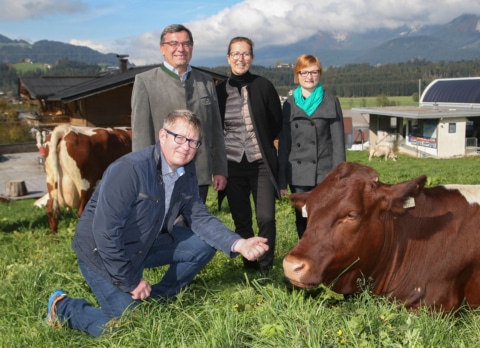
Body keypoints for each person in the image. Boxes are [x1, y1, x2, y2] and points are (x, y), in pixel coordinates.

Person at [45, 110, 269, 337]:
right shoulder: (129, 171)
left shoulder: (186, 171)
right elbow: (104, 234)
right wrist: (131, 281)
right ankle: (63, 307)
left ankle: (158, 299)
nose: (186, 147)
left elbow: (198, 216)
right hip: (101, 253)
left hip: (145, 242)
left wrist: (238, 243)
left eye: (193, 142)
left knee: (203, 246)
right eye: (179, 138)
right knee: (128, 330)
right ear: (162, 135)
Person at [131, 24, 227, 203]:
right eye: (174, 43)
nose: (180, 49)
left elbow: (215, 130)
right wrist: (144, 175)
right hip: (161, 176)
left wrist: (220, 169)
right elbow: (141, 135)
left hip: (199, 175)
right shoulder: (145, 82)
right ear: (162, 48)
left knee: (195, 226)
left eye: (186, 44)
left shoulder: (205, 82)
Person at [216, 37, 282, 275]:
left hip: (260, 163)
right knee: (241, 219)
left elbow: (276, 123)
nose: (240, 58)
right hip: (232, 164)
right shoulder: (219, 91)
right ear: (228, 58)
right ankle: (250, 264)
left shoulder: (263, 86)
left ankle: (265, 266)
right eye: (235, 53)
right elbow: (215, 130)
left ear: (251, 58)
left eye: (245, 54)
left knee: (266, 217)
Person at [278, 54, 346, 239]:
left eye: (314, 72)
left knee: (325, 216)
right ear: (297, 74)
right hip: (298, 174)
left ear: (320, 74)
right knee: (302, 217)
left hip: (324, 172)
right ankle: (305, 253)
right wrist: (282, 179)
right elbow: (284, 144)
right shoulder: (289, 104)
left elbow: (338, 142)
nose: (309, 76)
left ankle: (325, 254)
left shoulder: (331, 101)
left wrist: (338, 174)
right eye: (305, 72)